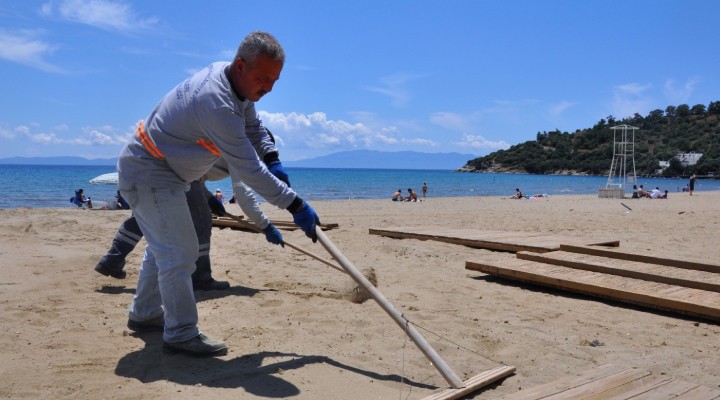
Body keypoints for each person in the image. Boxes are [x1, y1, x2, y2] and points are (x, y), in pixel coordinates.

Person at [116, 31, 319, 357]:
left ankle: (145, 314)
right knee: (180, 252)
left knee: (164, 247)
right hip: (150, 172)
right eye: (262, 78)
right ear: (241, 65)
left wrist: (273, 158)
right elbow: (250, 173)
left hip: (166, 172)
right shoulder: (216, 103)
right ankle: (181, 333)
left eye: (274, 80)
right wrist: (295, 205)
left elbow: (253, 126)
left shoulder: (234, 84)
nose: (268, 87)